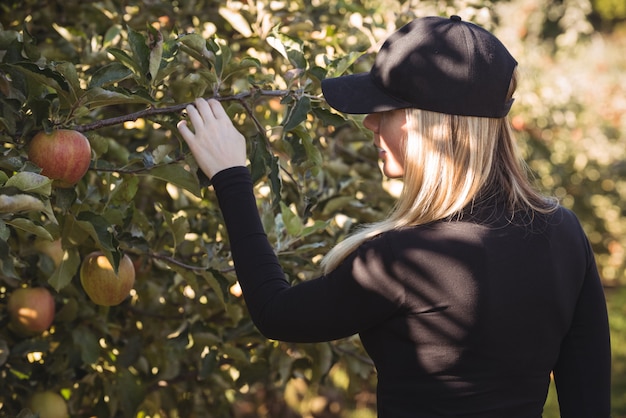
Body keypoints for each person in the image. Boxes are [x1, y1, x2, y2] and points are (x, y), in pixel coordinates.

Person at [177, 15, 611, 418]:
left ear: (426, 125)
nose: (369, 124)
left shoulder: (403, 260)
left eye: (384, 110)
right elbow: (588, 397)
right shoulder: (563, 232)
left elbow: (276, 312)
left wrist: (231, 177)